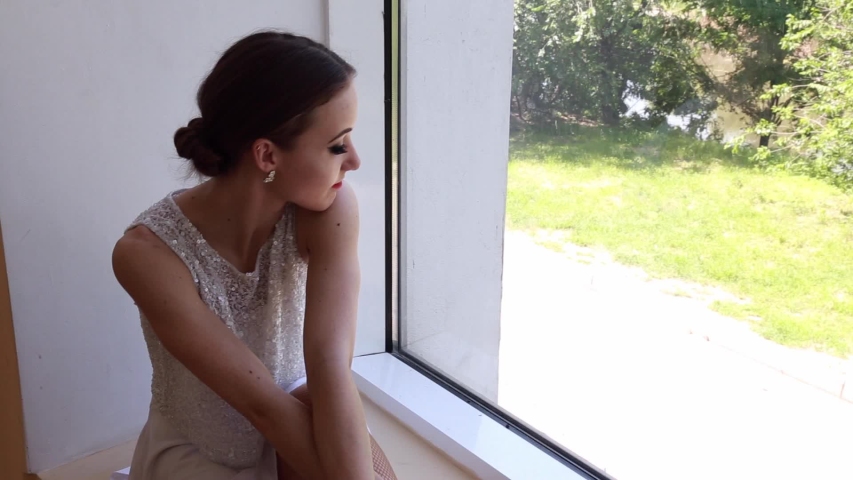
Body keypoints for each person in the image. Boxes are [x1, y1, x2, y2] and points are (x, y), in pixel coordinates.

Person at [112, 31, 398, 480]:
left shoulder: (328, 208)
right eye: (338, 145)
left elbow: (328, 368)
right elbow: (261, 406)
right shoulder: (147, 255)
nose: (355, 161)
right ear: (267, 155)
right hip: (204, 453)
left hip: (295, 413)